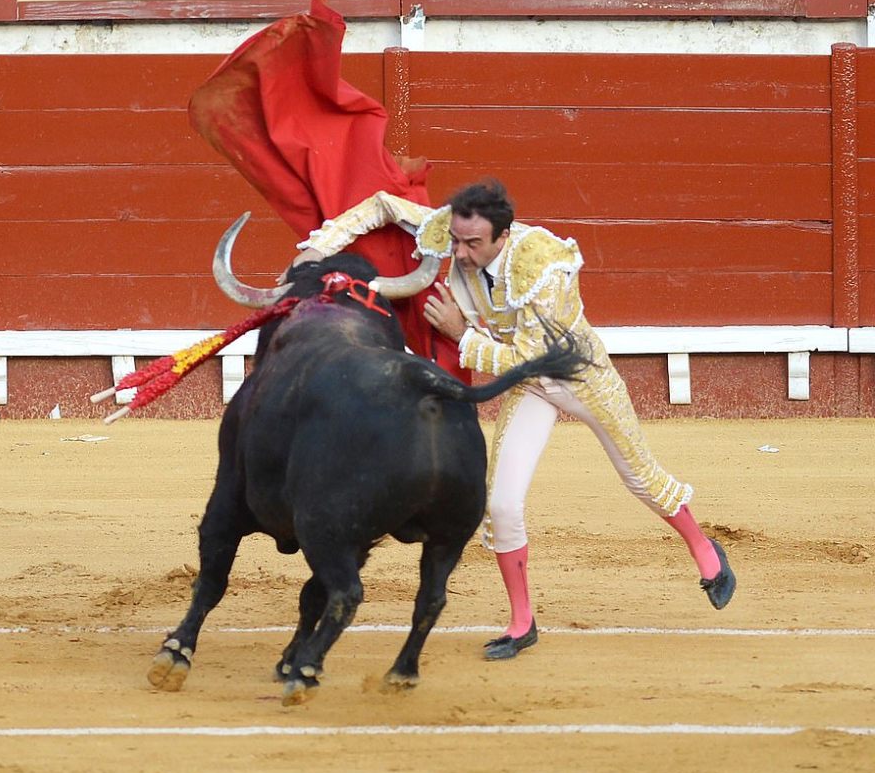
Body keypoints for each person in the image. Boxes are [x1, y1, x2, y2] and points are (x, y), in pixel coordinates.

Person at [290, 178, 737, 660]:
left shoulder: (542, 263)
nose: (457, 253)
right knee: (501, 504)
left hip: (580, 377)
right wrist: (319, 246)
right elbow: (380, 205)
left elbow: (531, 354)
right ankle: (522, 621)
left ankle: (704, 548)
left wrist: (462, 336)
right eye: (456, 240)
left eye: (471, 244)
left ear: (503, 236)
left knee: (640, 477)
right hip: (530, 390)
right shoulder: (454, 231)